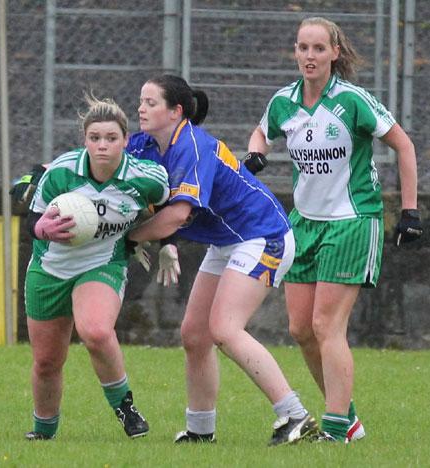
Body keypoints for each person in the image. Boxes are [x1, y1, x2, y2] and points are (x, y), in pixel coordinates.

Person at [245, 17, 423, 442]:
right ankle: (350, 420)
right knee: (300, 329)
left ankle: (335, 430)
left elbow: (403, 144)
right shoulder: (283, 102)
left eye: (318, 49)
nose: (310, 56)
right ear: (295, 51)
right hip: (303, 223)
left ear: (334, 53)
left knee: (326, 325)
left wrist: (411, 212)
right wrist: (255, 155)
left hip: (352, 222)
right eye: (303, 48)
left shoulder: (353, 100)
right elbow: (260, 132)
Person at [126, 74, 324, 446]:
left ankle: (295, 416)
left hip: (263, 235)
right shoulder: (144, 144)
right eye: (141, 100)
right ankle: (201, 430)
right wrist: (53, 176)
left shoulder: (193, 146)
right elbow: (107, 165)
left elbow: (175, 215)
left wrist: (130, 238)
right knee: (194, 334)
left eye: (151, 102)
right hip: (228, 241)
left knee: (225, 329)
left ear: (176, 111)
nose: (141, 108)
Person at [24, 93, 170, 440]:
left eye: (111, 138)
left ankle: (125, 407)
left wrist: (166, 243)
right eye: (95, 138)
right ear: (85, 140)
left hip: (102, 262)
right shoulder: (62, 172)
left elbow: (172, 206)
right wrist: (40, 228)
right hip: (50, 267)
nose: (102, 146)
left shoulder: (146, 178)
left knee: (96, 331)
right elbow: (32, 218)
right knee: (47, 361)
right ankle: (43, 432)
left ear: (126, 140)